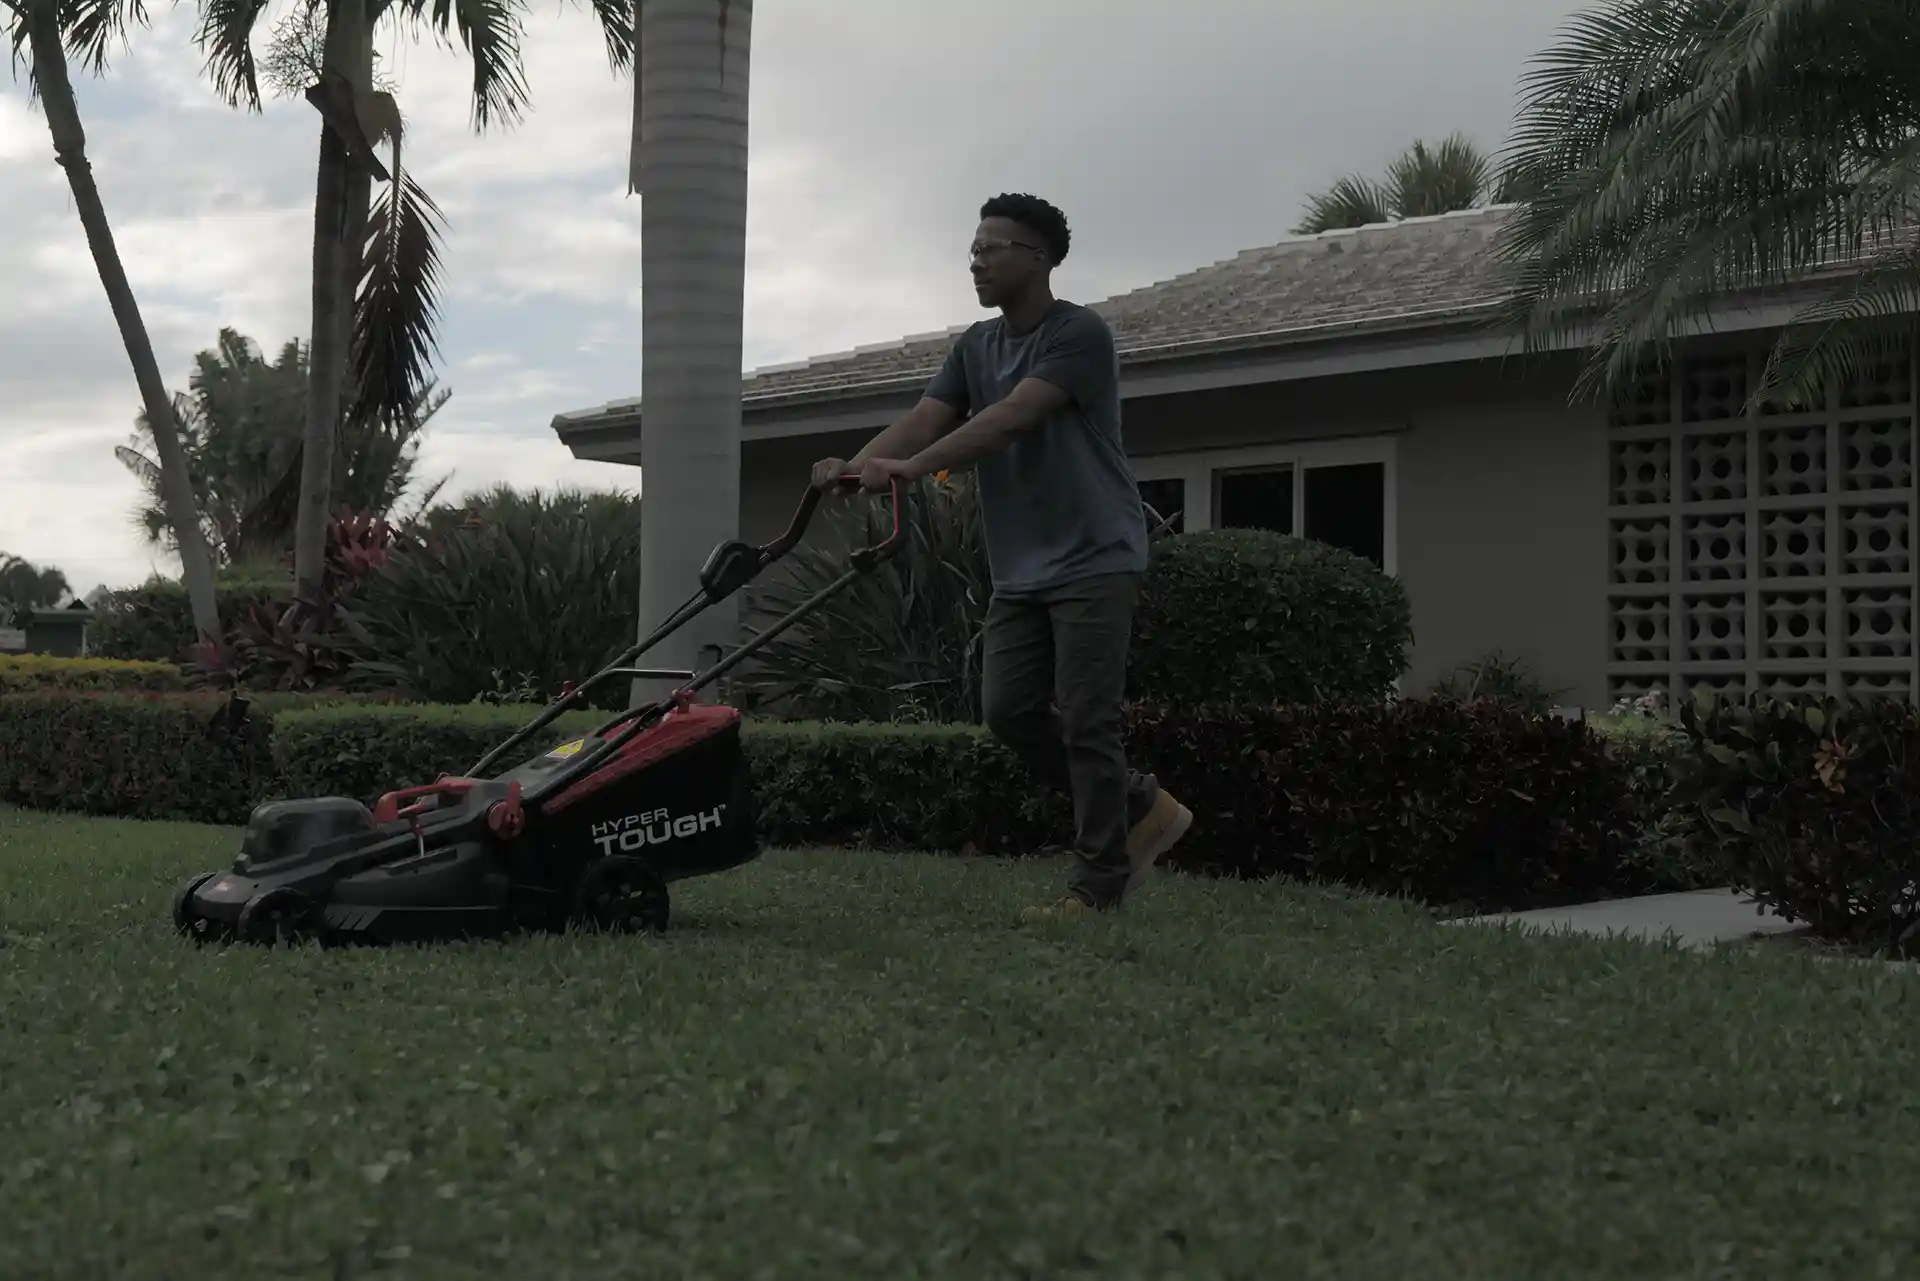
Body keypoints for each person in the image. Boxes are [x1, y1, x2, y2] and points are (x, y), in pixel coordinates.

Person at [810, 192, 1192, 921]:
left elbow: (1008, 420)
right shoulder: (975, 347)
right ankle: (1140, 803)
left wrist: (913, 471)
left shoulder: (1079, 335)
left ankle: (1098, 882)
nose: (977, 261)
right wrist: (855, 468)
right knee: (1009, 711)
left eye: (992, 248)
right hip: (1022, 568)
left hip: (1096, 555)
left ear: (1038, 258)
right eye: (973, 250)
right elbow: (926, 417)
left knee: (1088, 718)